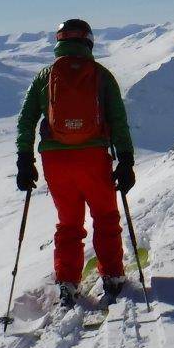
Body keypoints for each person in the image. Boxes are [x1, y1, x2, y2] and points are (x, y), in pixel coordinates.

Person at [16, 18, 136, 309]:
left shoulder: (44, 76)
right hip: (93, 157)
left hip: (56, 161)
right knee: (105, 217)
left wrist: (24, 159)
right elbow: (118, 120)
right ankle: (112, 277)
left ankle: (67, 283)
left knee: (69, 223)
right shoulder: (101, 75)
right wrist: (126, 159)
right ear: (89, 41)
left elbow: (26, 120)